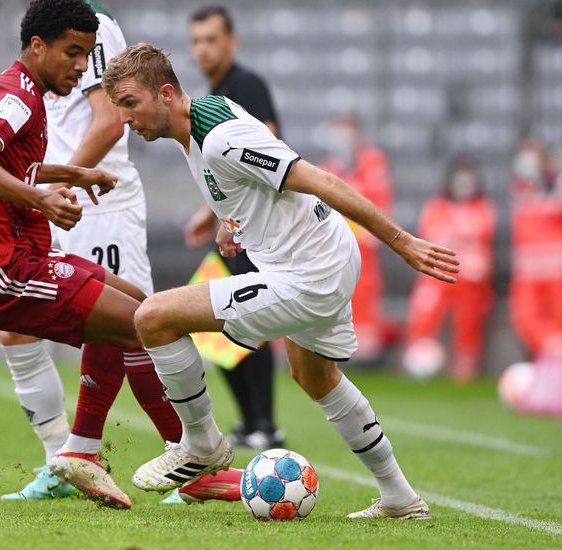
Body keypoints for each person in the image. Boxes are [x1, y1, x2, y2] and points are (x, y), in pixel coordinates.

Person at [101, 43, 459, 519]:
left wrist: (402, 241)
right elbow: (245, 182)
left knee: (154, 317)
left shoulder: (218, 138)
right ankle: (400, 498)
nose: (125, 118)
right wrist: (231, 221)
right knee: (315, 377)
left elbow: (319, 179)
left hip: (309, 272)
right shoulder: (205, 116)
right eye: (118, 107)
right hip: (319, 254)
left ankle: (201, 444)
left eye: (130, 103)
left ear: (165, 93)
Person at [0, 0, 241, 507]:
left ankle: (192, 458)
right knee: (20, 326)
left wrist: (69, 187)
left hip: (97, 201)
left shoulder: (96, 27)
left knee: (132, 325)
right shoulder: (39, 36)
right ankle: (65, 456)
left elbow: (109, 121)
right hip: (56, 200)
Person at [183, 5, 284, 453]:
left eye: (211, 39)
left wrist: (223, 213)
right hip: (237, 225)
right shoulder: (218, 90)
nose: (203, 48)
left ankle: (264, 423)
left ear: (231, 41)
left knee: (244, 320)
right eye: (196, 40)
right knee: (214, 324)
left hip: (255, 229)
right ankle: (251, 422)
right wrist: (211, 210)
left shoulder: (244, 86)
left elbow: (266, 145)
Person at [403, 158, 495, 382]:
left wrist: (458, 241)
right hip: (438, 274)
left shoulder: (482, 207)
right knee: (425, 304)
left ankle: (466, 365)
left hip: (471, 279)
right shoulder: (436, 206)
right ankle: (418, 357)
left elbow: (481, 236)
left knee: (469, 311)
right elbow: (432, 236)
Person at [320, 113, 393, 361]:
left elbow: (373, 201)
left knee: (363, 297)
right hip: (333, 247)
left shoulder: (372, 161)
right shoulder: (331, 164)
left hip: (363, 247)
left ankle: (365, 358)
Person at [509, 139, 562, 356]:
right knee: (526, 319)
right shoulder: (520, 190)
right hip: (527, 272)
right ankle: (551, 354)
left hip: (555, 270)